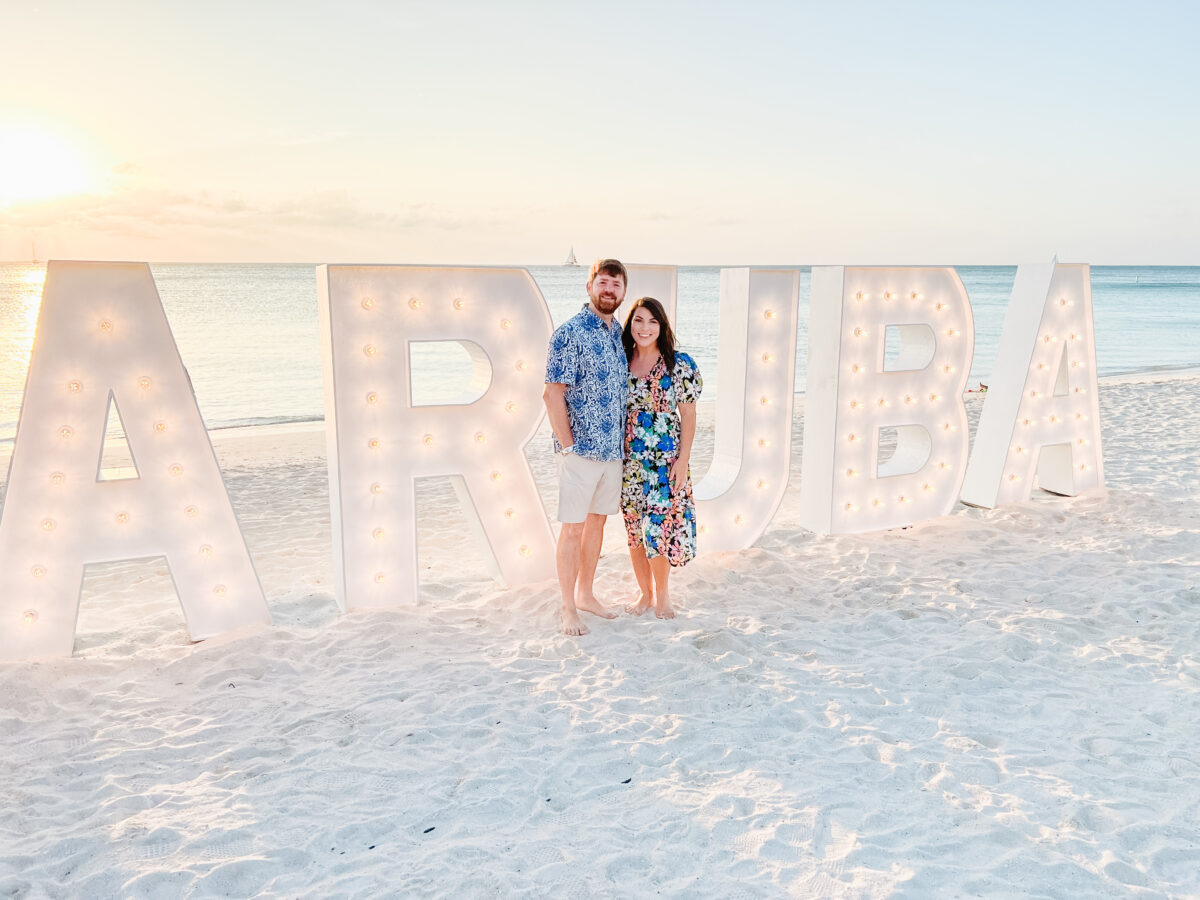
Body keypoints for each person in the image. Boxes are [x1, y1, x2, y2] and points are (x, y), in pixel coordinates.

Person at [543, 258, 630, 635]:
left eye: (616, 284)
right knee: (573, 530)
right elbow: (551, 394)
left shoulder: (617, 333)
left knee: (597, 524)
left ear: (623, 292)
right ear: (590, 286)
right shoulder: (570, 333)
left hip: (612, 452)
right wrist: (567, 447)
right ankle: (567, 607)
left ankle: (586, 594)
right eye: (603, 283)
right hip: (580, 452)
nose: (609, 290)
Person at [619, 296, 702, 619]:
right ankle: (645, 594)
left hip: (665, 460)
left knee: (659, 529)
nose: (645, 328)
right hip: (629, 461)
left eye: (653, 321)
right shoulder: (621, 360)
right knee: (634, 530)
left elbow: (689, 415)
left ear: (662, 326)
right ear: (630, 325)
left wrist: (683, 460)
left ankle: (663, 595)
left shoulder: (678, 365)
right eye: (639, 320)